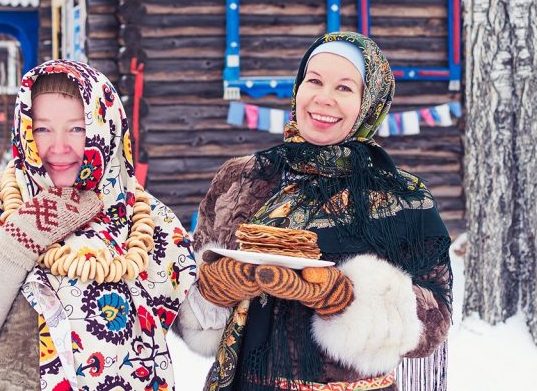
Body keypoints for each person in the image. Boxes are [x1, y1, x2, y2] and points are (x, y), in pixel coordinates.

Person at [175, 32, 453, 391]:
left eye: (344, 88)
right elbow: (183, 288)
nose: (324, 98)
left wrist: (343, 296)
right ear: (298, 87)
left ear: (369, 103)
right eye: (315, 80)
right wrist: (211, 290)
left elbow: (435, 320)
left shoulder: (403, 197)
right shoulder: (242, 178)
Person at [0, 60, 196, 390]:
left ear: (104, 128)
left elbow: (201, 329)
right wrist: (19, 240)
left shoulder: (146, 218)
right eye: (42, 128)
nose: (59, 147)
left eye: (78, 128)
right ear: (25, 129)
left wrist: (223, 276)